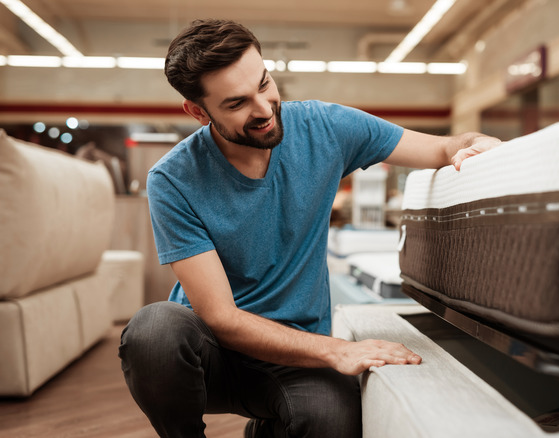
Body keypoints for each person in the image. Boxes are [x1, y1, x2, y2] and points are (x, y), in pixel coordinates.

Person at [118, 18, 501, 438]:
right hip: (212, 358)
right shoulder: (172, 179)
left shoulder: (324, 128)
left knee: (332, 419)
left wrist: (473, 147)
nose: (263, 109)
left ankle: (266, 430)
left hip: (294, 355)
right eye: (236, 103)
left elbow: (440, 146)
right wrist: (338, 350)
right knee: (153, 332)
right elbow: (221, 318)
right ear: (197, 111)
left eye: (265, 84)